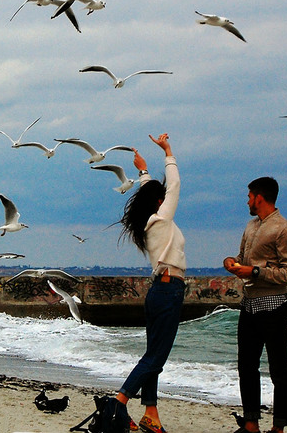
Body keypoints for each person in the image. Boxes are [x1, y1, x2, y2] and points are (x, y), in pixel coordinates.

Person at [102, 133, 183, 433]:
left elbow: (158, 192)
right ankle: (119, 402)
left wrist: (143, 171)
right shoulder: (162, 220)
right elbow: (173, 186)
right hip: (169, 289)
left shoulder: (150, 221)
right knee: (156, 357)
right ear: (160, 203)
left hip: (159, 292)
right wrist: (168, 152)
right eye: (163, 199)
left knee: (153, 356)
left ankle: (151, 413)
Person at [223, 176, 287, 433]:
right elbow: (243, 258)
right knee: (246, 367)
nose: (247, 200)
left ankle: (279, 428)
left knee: (279, 370)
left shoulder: (283, 228)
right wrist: (231, 262)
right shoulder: (251, 226)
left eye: (249, 196)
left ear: (260, 197)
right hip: (249, 305)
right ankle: (251, 424)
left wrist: (255, 273)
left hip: (274, 306)